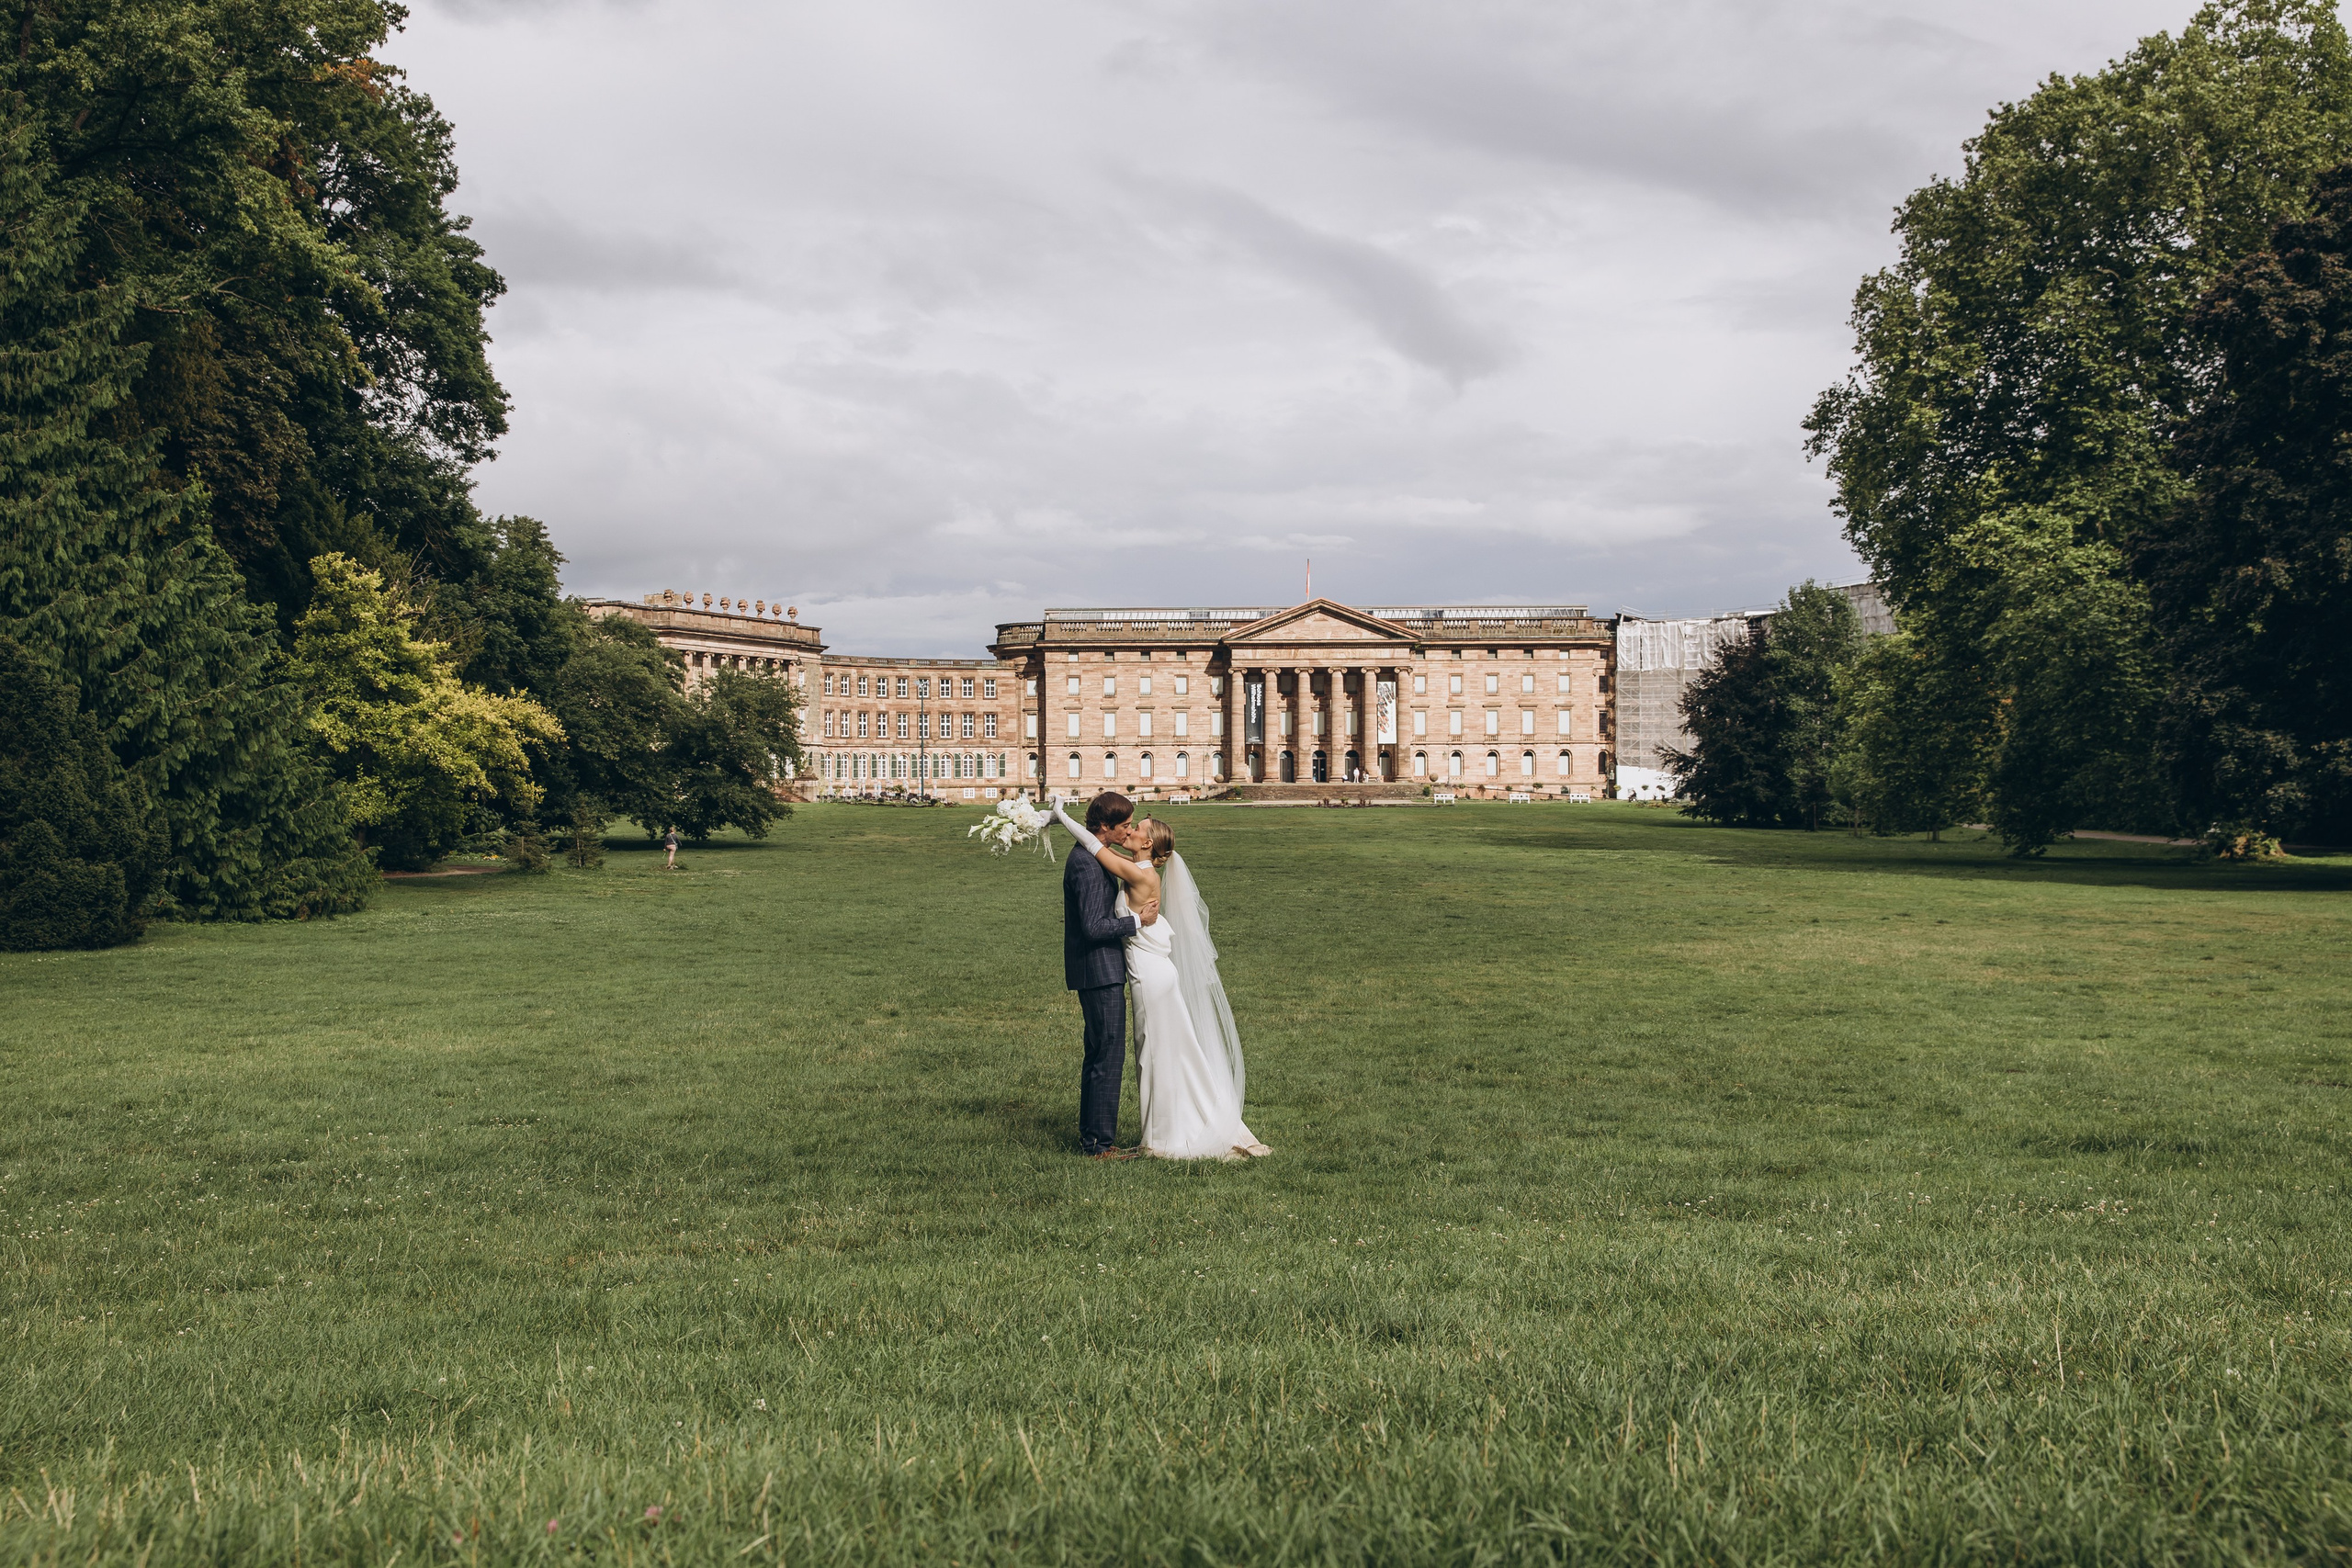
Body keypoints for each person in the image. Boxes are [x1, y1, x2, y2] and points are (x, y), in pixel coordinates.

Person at [1050, 796, 1270, 1160]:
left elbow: (1093, 843)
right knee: (1155, 1052)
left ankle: (1164, 1135)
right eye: (1128, 824)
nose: (1130, 830)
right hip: (1146, 971)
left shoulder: (1138, 872)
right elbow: (1093, 844)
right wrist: (1060, 819)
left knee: (1155, 1053)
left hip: (1150, 975)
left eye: (1136, 828)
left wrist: (1059, 816)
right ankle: (1153, 1133)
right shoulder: (1133, 866)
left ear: (1148, 843)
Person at [1062, 791, 1152, 1159]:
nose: (1129, 830)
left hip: (1100, 969)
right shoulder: (1084, 863)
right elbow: (1093, 927)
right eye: (1125, 825)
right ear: (1105, 826)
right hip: (1098, 971)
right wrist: (1136, 921)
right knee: (1107, 1057)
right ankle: (1099, 1145)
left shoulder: (1094, 854)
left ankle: (1094, 1139)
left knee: (1101, 1054)